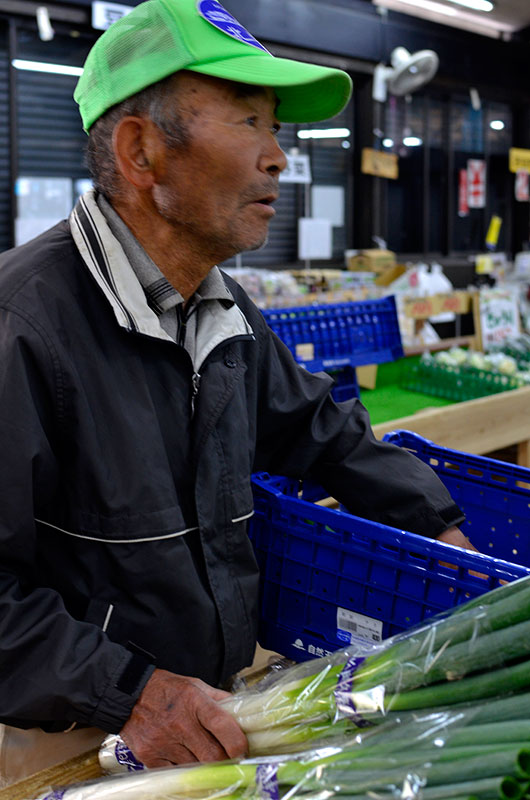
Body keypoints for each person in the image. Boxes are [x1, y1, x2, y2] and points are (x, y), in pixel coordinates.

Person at [0, 0, 476, 785]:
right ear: (140, 149)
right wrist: (133, 692)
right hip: (69, 745)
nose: (280, 158)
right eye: (248, 121)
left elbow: (320, 429)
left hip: (203, 718)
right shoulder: (25, 327)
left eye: (277, 128)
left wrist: (445, 533)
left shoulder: (220, 307)